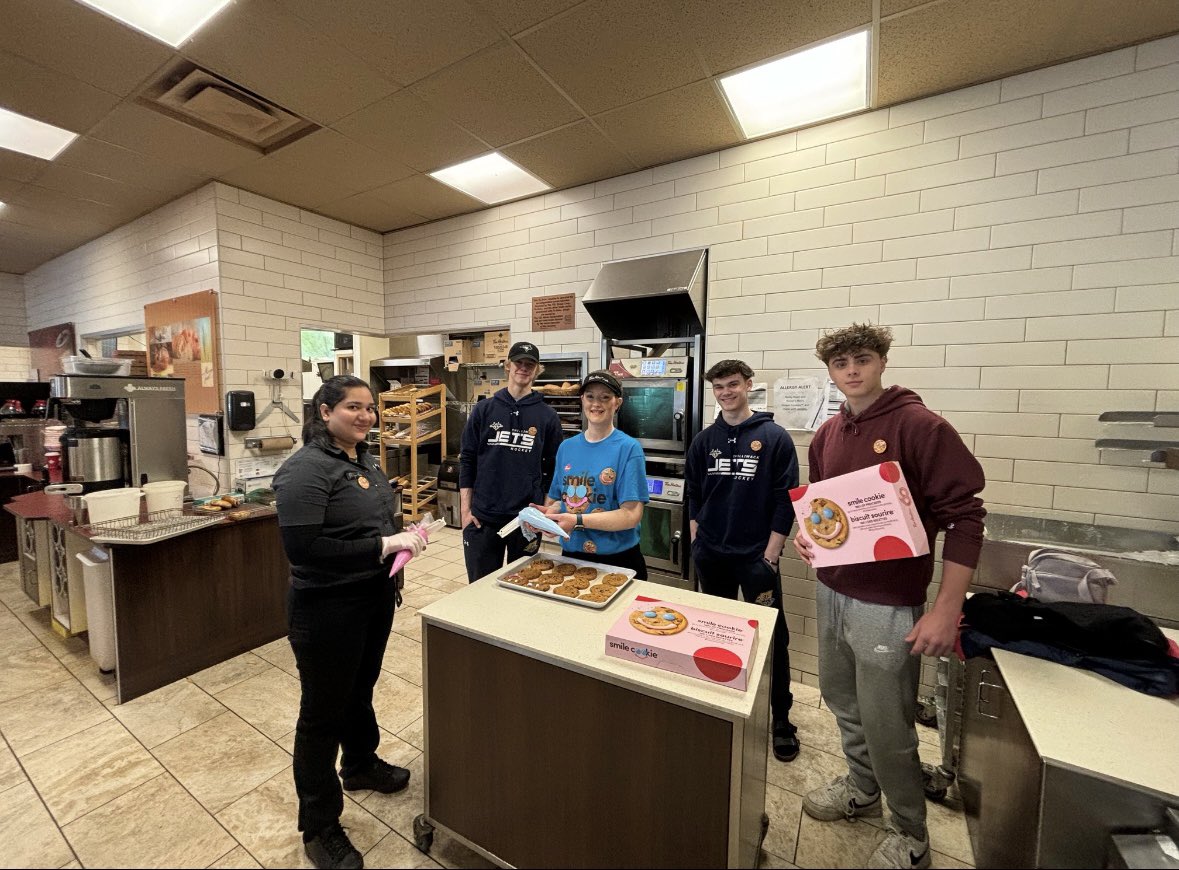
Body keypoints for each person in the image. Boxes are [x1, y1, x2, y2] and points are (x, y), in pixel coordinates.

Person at [794, 324, 985, 870]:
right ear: (829, 372)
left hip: (889, 603)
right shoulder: (828, 434)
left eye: (862, 359)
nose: (851, 370)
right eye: (840, 364)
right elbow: (820, 508)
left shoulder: (919, 425)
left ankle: (910, 832)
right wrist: (809, 538)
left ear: (881, 363)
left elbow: (966, 518)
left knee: (887, 719)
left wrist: (947, 609)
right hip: (832, 591)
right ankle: (862, 787)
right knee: (842, 700)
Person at [274, 375, 426, 870]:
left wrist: (401, 538)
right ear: (324, 412)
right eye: (352, 408)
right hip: (326, 607)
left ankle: (359, 764)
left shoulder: (362, 459)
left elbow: (370, 523)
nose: (365, 416)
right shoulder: (305, 470)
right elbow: (304, 548)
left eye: (369, 408)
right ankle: (319, 826)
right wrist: (381, 546)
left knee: (359, 690)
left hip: (373, 596)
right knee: (322, 714)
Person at [685, 359, 801, 763]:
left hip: (756, 559)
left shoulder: (774, 438)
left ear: (748, 385)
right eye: (718, 387)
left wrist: (771, 554)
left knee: (772, 639)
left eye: (732, 384)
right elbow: (695, 493)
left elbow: (787, 499)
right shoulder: (703, 441)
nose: (725, 393)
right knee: (714, 632)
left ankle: (781, 720)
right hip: (712, 556)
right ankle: (717, 704)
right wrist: (699, 539)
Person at [459, 341, 563, 583]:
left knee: (522, 585)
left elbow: (554, 468)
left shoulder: (548, 416)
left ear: (537, 370)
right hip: (482, 517)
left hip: (526, 520)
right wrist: (466, 510)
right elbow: (468, 460)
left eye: (530, 364)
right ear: (508, 366)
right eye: (518, 362)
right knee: (480, 588)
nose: (523, 368)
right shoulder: (484, 410)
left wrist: (544, 512)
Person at [539, 370, 649, 578]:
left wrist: (577, 520)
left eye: (605, 397)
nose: (596, 404)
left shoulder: (628, 449)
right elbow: (556, 500)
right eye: (590, 396)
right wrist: (546, 518)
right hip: (571, 557)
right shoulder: (566, 447)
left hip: (618, 562)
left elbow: (631, 515)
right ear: (582, 400)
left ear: (617, 403)